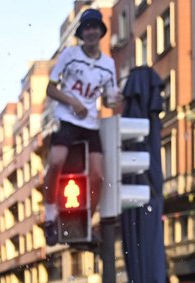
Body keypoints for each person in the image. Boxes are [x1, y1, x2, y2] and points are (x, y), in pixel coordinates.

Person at [41, 7, 117, 246]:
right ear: (82, 33)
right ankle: (50, 215)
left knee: (98, 175)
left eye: (95, 27)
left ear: (101, 32)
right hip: (68, 118)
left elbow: (109, 100)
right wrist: (73, 102)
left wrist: (116, 99)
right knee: (56, 161)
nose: (91, 32)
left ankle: (87, 220)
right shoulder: (69, 55)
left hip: (91, 124)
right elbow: (50, 89)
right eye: (87, 28)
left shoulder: (109, 65)